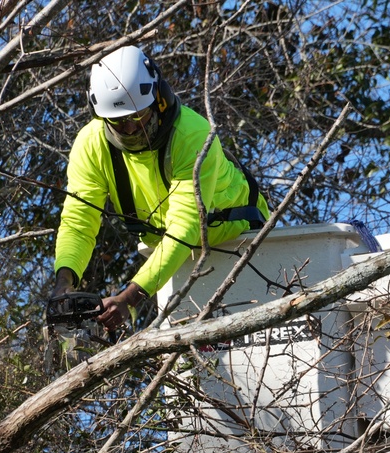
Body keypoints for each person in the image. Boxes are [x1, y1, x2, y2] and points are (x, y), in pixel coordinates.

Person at [51, 45, 270, 330]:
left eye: (136, 116)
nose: (129, 129)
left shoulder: (192, 134)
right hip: (178, 253)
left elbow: (186, 227)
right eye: (118, 121)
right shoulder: (91, 145)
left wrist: (129, 297)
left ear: (158, 100)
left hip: (245, 238)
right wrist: (63, 283)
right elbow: (79, 222)